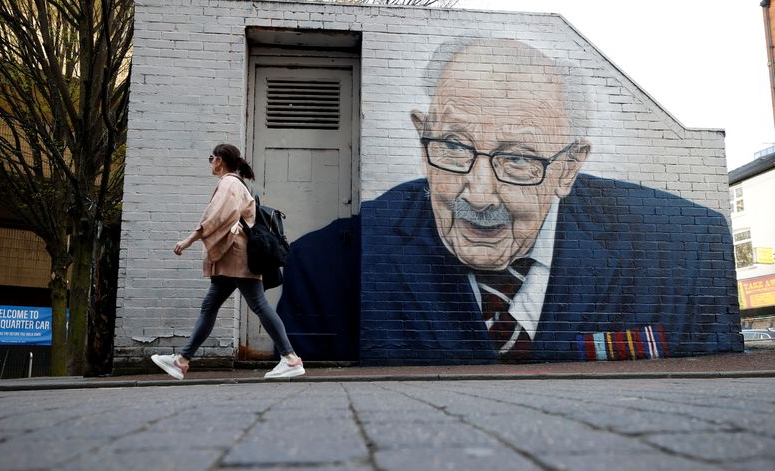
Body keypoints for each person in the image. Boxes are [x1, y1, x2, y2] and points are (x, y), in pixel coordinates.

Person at [278, 38, 741, 364]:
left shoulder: (687, 249)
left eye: (517, 158)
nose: (478, 194)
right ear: (424, 141)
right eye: (454, 148)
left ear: (568, 168)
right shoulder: (325, 268)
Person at [152, 143, 305, 379]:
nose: (210, 162)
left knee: (258, 305)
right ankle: (182, 360)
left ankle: (291, 358)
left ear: (220, 160)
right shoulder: (234, 183)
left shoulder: (230, 183)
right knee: (211, 306)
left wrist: (189, 239)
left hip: (236, 256)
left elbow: (218, 217)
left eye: (211, 158)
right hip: (233, 257)